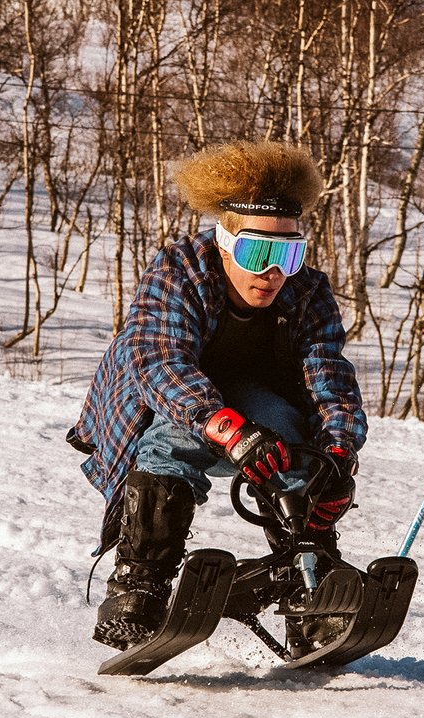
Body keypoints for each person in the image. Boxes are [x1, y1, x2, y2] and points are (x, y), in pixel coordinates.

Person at [67, 140, 368, 657]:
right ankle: (139, 584)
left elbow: (329, 378)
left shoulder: (308, 292)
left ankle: (310, 585)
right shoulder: (178, 272)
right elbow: (160, 363)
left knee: (300, 445)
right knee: (171, 443)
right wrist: (228, 428)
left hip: (256, 404)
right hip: (162, 405)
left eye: (288, 255)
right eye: (258, 253)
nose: (273, 273)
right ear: (226, 244)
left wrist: (338, 456)